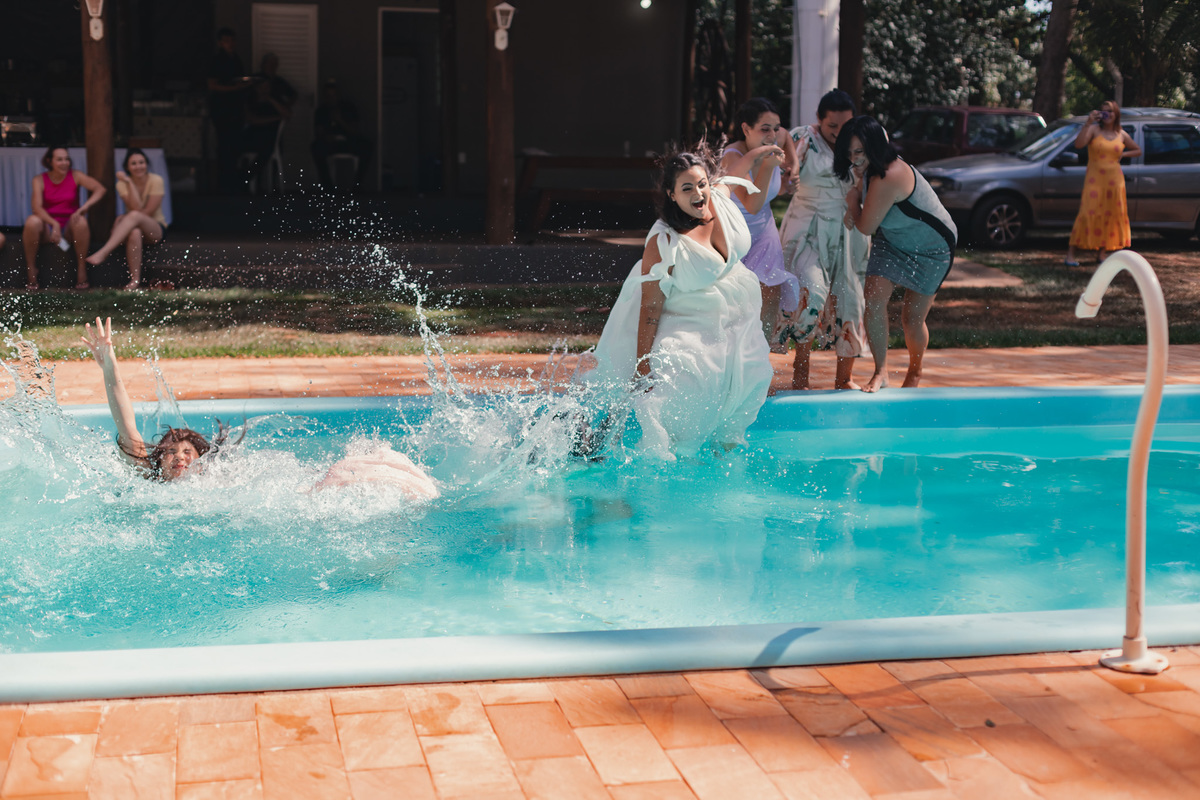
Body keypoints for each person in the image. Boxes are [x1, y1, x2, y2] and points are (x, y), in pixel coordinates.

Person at [80, 317, 437, 499]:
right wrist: (109, 365)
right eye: (171, 451)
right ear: (157, 461)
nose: (179, 456)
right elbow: (126, 424)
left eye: (187, 451)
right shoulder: (149, 482)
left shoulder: (213, 480)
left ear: (201, 459)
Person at [580, 146, 774, 457]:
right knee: (678, 389)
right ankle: (656, 458)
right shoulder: (664, 240)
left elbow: (734, 172)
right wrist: (643, 366)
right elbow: (651, 308)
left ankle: (721, 456)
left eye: (701, 184)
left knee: (751, 377)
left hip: (737, 316)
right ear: (671, 194)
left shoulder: (719, 198)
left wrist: (759, 154)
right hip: (686, 314)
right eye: (687, 188)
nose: (699, 194)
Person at [837, 116, 957, 392]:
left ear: (876, 146)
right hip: (893, 238)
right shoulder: (871, 165)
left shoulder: (891, 174)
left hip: (932, 247)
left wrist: (853, 203)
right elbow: (862, 188)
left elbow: (865, 226)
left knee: (912, 319)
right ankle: (881, 372)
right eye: (850, 153)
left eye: (859, 152)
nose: (854, 160)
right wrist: (856, 195)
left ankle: (915, 371)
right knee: (874, 296)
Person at [777, 89, 871, 390]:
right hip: (808, 228)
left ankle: (844, 379)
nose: (839, 132)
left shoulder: (860, 141)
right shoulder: (804, 138)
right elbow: (784, 171)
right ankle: (800, 374)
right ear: (819, 120)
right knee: (811, 293)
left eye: (845, 125)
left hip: (847, 230)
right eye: (832, 126)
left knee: (850, 301)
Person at [720, 98, 801, 347]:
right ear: (746, 129)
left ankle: (760, 364)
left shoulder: (777, 138)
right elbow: (752, 205)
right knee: (737, 305)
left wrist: (793, 171)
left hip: (765, 233)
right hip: (735, 237)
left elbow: (787, 139)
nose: (773, 134)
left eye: (775, 128)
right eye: (765, 129)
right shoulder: (732, 157)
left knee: (770, 293)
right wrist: (768, 166)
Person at [1065, 101, 1141, 266]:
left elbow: (1138, 150)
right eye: (1104, 111)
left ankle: (1102, 253)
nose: (1107, 114)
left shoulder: (1121, 134)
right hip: (1094, 180)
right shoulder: (1093, 129)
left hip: (1114, 181)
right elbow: (1079, 144)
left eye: (1110, 111)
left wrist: (1124, 155)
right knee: (1087, 212)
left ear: (1116, 115)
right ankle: (1070, 255)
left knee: (1110, 214)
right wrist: (1088, 122)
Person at [22, 146, 107, 290]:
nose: (65, 163)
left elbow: (100, 189)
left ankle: (81, 269)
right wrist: (53, 224)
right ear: (50, 161)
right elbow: (37, 207)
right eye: (59, 159)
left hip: (69, 226)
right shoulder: (39, 180)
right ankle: (31, 269)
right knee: (32, 221)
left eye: (67, 159)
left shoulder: (76, 175)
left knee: (81, 221)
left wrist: (84, 207)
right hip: (47, 225)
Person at [84, 148, 167, 289]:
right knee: (134, 232)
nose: (138, 166)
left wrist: (125, 218)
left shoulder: (156, 180)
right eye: (133, 163)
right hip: (134, 227)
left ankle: (104, 252)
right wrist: (130, 182)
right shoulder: (122, 184)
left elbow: (145, 212)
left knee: (133, 216)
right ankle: (135, 280)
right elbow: (135, 206)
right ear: (127, 167)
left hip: (155, 228)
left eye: (141, 162)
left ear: (146, 164)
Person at [207, 27, 253, 194]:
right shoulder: (217, 60)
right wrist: (234, 88)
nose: (231, 44)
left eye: (233, 40)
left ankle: (234, 182)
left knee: (235, 145)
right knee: (224, 145)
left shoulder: (236, 59)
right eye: (227, 41)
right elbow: (212, 84)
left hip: (236, 109)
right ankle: (223, 184)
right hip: (222, 109)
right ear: (220, 43)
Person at [311, 79, 371, 189]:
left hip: (349, 142)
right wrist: (326, 136)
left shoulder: (348, 108)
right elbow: (318, 132)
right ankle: (327, 186)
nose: (331, 99)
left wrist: (340, 121)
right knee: (316, 147)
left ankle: (357, 185)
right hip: (331, 143)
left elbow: (355, 131)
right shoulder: (321, 111)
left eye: (333, 95)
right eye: (328, 96)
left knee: (367, 146)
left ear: (338, 95)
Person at [242, 78, 290, 192]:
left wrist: (270, 100)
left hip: (268, 138)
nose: (265, 90)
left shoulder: (275, 101)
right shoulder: (251, 101)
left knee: (266, 150)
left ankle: (245, 178)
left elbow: (287, 114)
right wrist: (274, 119)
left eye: (267, 87)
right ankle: (240, 179)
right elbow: (251, 119)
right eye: (262, 87)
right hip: (252, 136)